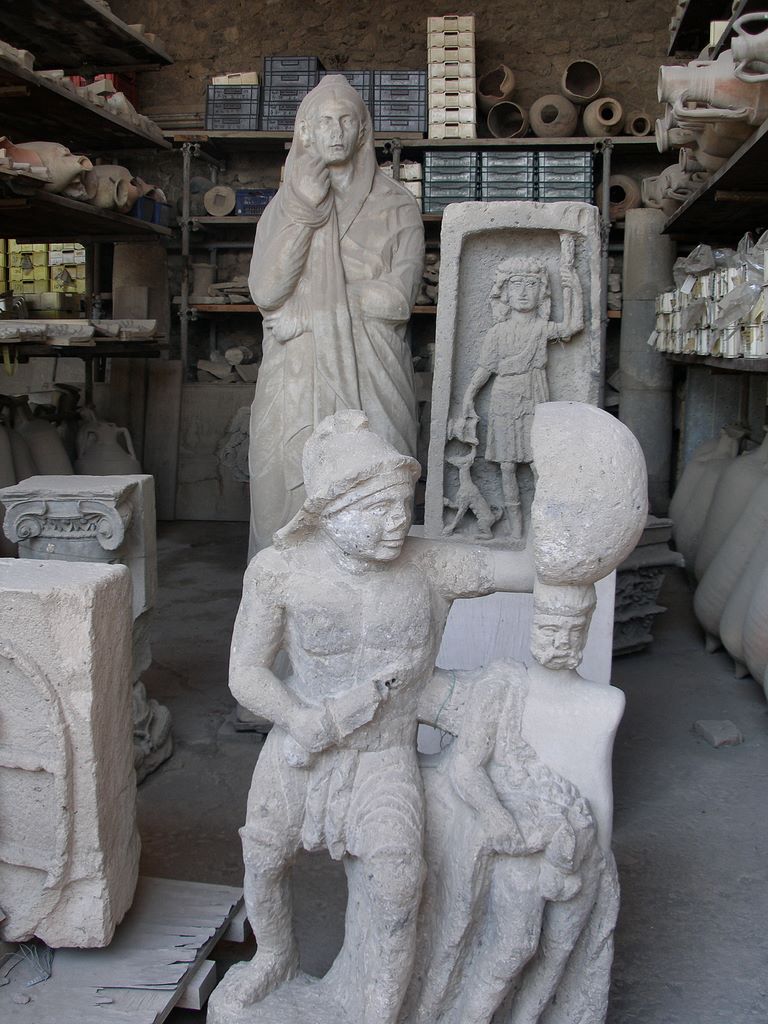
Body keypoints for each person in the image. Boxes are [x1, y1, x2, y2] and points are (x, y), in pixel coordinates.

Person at [207, 410, 535, 1024]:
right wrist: (297, 716)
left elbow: (525, 569)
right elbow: (245, 672)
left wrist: (568, 532)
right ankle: (274, 956)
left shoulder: (428, 564)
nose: (395, 523)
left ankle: (378, 1006)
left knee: (397, 882)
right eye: (376, 509)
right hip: (305, 739)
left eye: (401, 506)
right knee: (265, 858)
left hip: (385, 751)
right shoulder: (279, 572)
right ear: (327, 513)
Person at [247, 76, 424, 555]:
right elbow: (266, 291)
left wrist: (309, 311)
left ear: (363, 130)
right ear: (305, 132)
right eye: (324, 121)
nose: (336, 131)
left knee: (377, 487)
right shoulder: (283, 209)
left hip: (373, 374)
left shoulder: (397, 205)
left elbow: (397, 300)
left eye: (346, 120)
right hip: (296, 375)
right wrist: (305, 213)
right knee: (284, 500)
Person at [452, 235, 583, 539]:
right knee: (507, 466)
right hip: (504, 398)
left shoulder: (541, 328)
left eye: (531, 285)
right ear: (505, 293)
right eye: (516, 285)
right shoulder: (497, 333)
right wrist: (468, 399)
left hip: (534, 394)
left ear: (541, 292)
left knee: (538, 463)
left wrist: (574, 286)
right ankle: (516, 528)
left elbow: (572, 326)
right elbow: (484, 371)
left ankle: (543, 526)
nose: (523, 292)